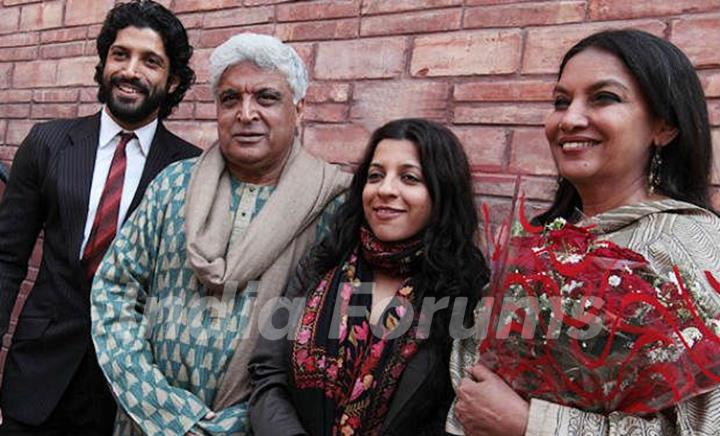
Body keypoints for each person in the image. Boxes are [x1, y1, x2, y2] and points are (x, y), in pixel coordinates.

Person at [448, 29, 720, 436]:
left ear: (664, 126)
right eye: (561, 101)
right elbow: (473, 376)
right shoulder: (538, 242)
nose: (570, 119)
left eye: (603, 98)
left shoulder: (693, 248)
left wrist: (531, 424)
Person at [90, 32, 351, 435]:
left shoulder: (333, 206)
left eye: (266, 98)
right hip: (148, 422)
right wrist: (167, 412)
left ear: (298, 108)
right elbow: (114, 291)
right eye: (230, 99)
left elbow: (330, 343)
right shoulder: (173, 185)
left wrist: (235, 425)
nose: (246, 113)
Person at [0, 0, 199, 433]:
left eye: (150, 61)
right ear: (104, 61)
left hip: (126, 392)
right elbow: (6, 258)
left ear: (173, 79)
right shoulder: (48, 143)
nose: (130, 71)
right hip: (36, 374)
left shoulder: (189, 169)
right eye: (120, 54)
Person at [249, 118, 489, 435]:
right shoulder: (323, 262)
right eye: (375, 176)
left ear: (441, 191)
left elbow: (452, 415)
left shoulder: (464, 289)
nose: (385, 190)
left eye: (409, 178)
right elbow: (268, 371)